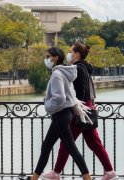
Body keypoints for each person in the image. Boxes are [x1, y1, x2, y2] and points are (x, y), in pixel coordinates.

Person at [41, 43, 118, 180]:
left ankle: (56, 172)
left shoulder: (78, 68)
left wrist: (74, 109)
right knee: (93, 142)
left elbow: (79, 92)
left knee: (67, 141)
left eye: (71, 51)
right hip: (87, 107)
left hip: (80, 109)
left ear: (77, 54)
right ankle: (109, 171)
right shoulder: (84, 68)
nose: (69, 54)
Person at [31, 47, 92, 180]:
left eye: (48, 56)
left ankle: (87, 177)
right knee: (46, 146)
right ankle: (34, 177)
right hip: (65, 113)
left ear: (55, 58)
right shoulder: (65, 72)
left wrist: (47, 105)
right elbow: (71, 95)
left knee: (71, 148)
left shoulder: (57, 74)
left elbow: (59, 98)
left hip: (60, 115)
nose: (46, 59)